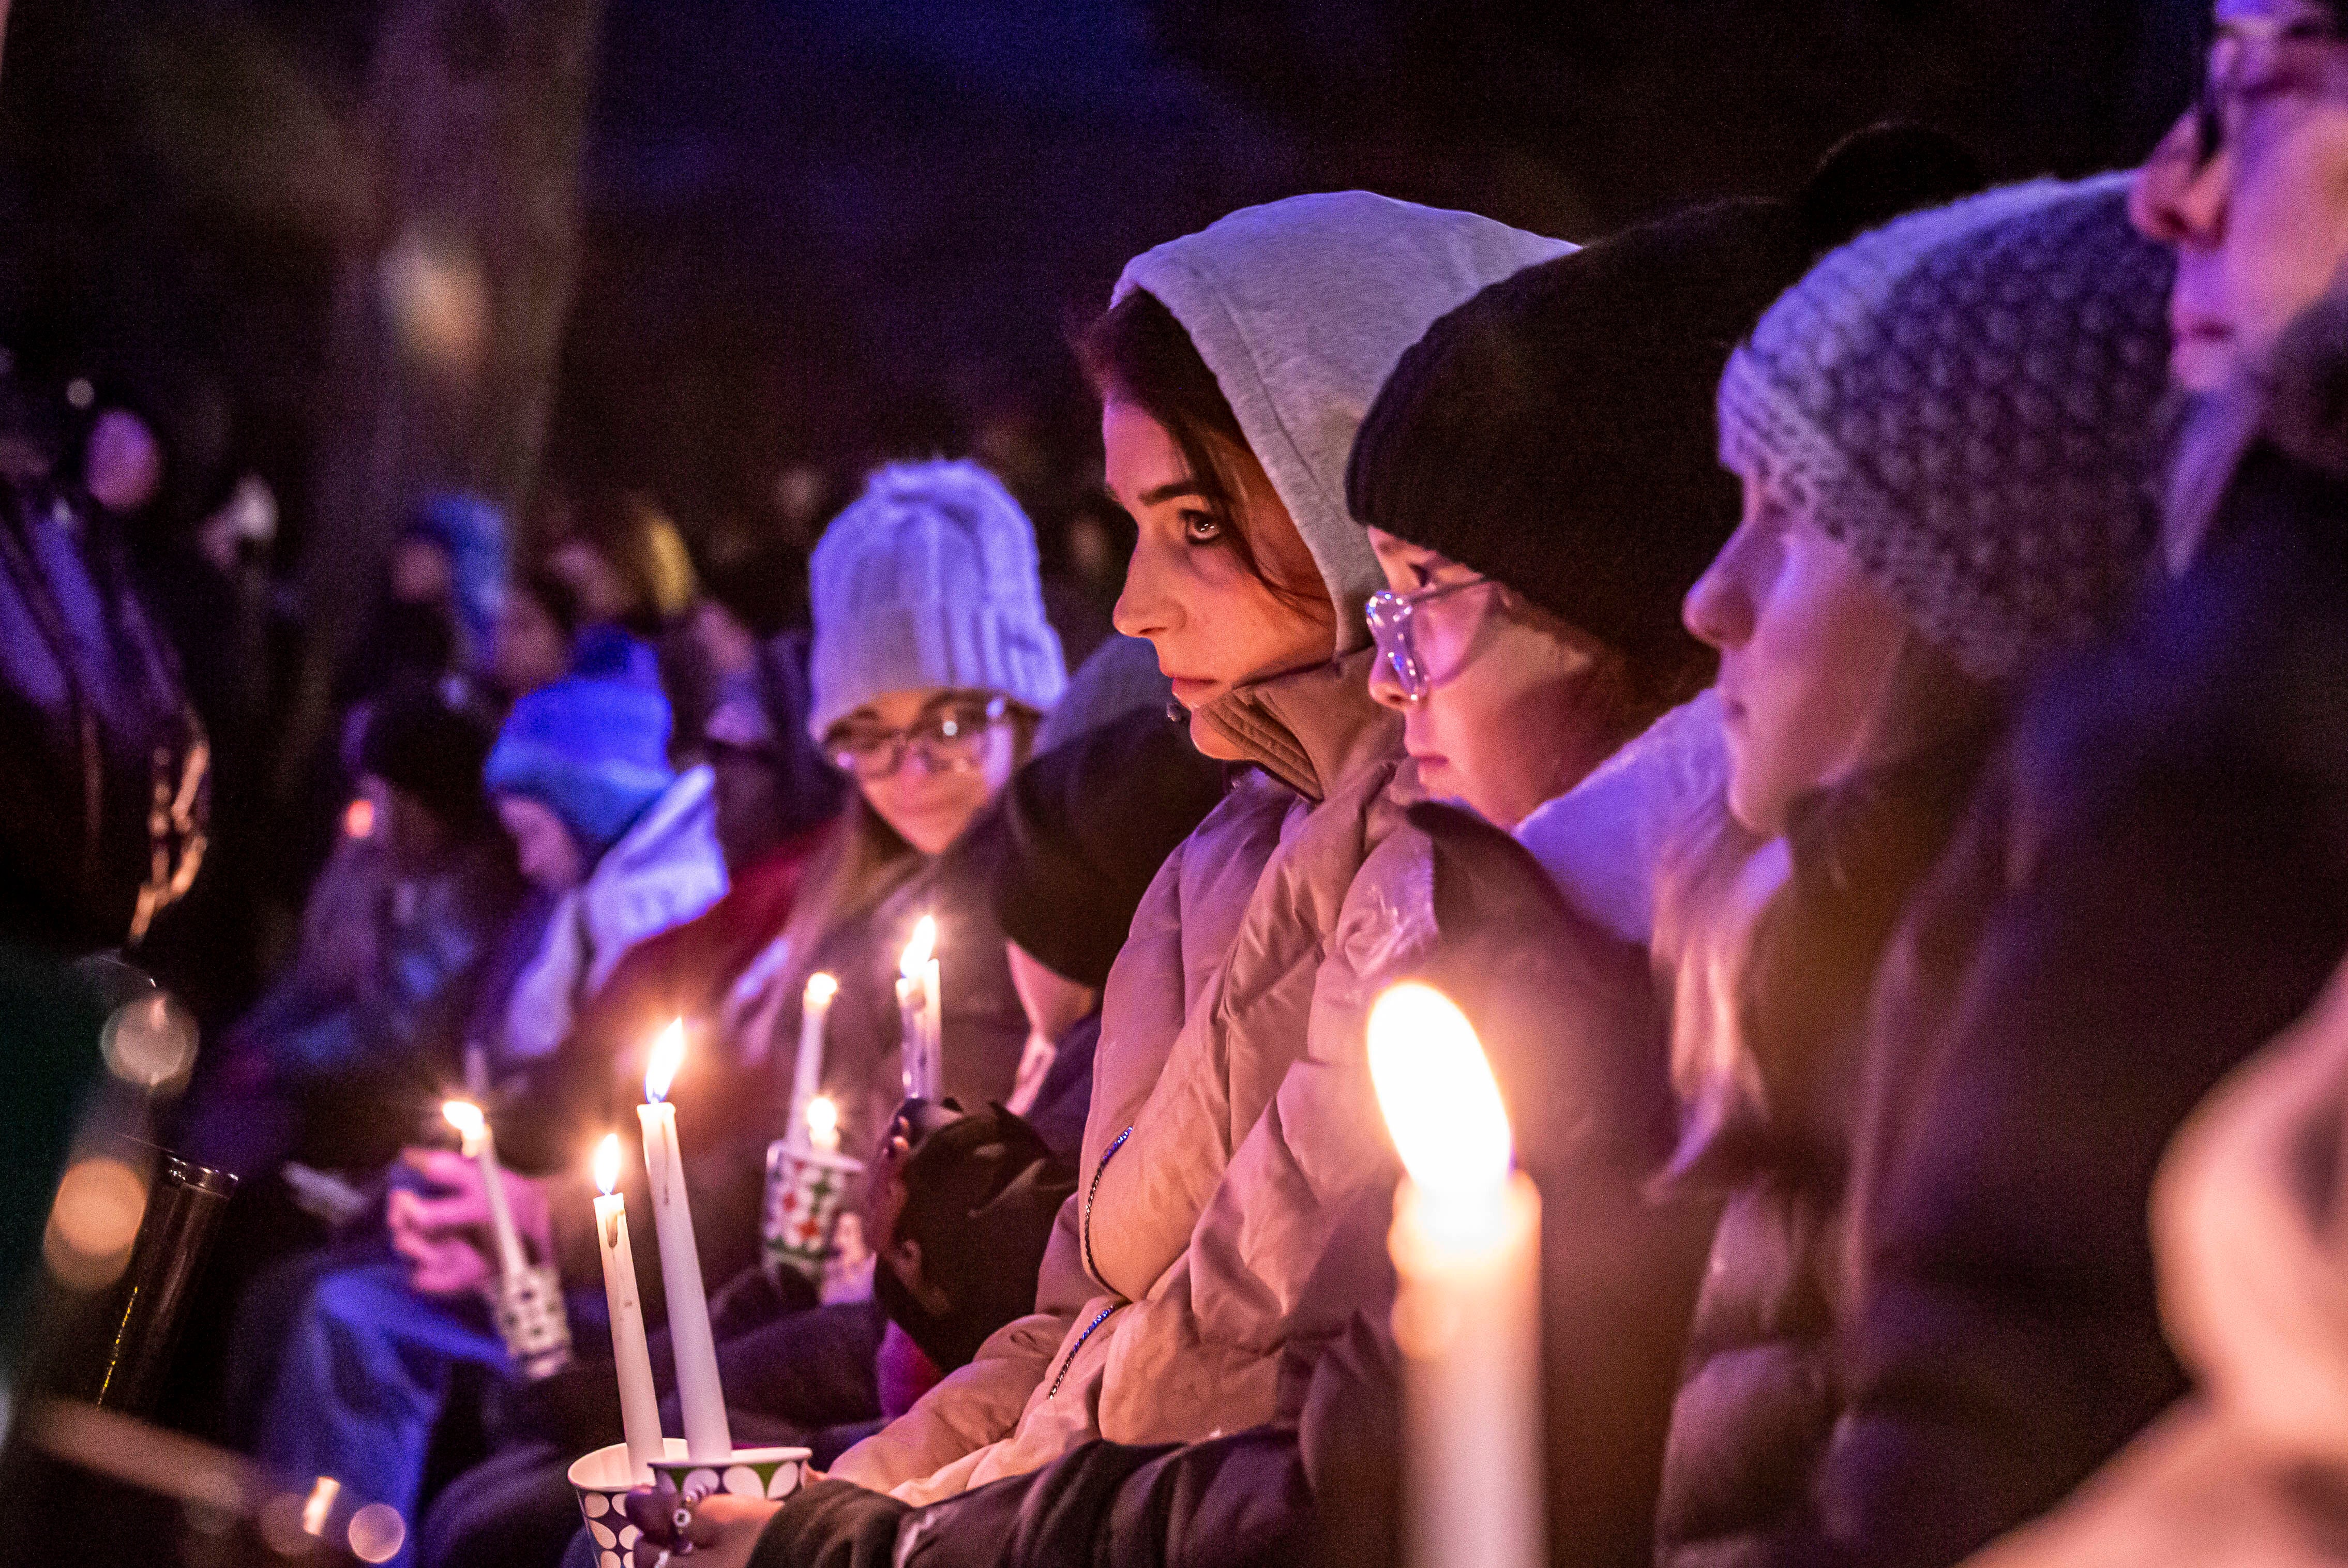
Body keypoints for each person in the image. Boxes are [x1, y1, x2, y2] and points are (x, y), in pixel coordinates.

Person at [651, 193, 1570, 1568]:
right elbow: (1090, 1332)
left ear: (1351, 504)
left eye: (1195, 522)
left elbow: (1235, 1415)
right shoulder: (1222, 861)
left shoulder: (1441, 881)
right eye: (1129, 524)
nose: (1135, 604)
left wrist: (865, 1544)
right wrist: (844, 1508)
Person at [1645, 176, 2175, 1568]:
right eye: (1728, 503)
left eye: (1795, 517)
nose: (1710, 597)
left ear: (1988, 596)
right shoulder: (1771, 978)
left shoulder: (2034, 1057)